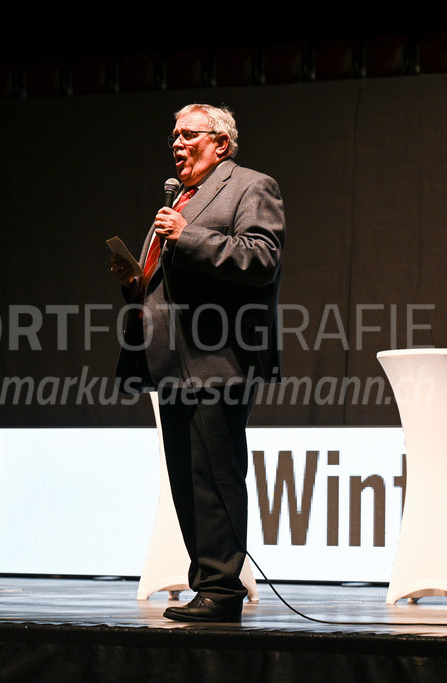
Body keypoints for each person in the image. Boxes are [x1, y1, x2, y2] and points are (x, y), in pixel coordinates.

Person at [111, 104, 285, 622]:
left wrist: (185, 236)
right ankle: (205, 583)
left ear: (221, 143)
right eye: (174, 136)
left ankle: (223, 589)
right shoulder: (180, 199)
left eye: (188, 135)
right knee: (187, 480)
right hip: (170, 361)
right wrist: (134, 284)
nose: (177, 144)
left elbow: (261, 257)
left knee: (216, 476)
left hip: (219, 357)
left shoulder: (252, 186)